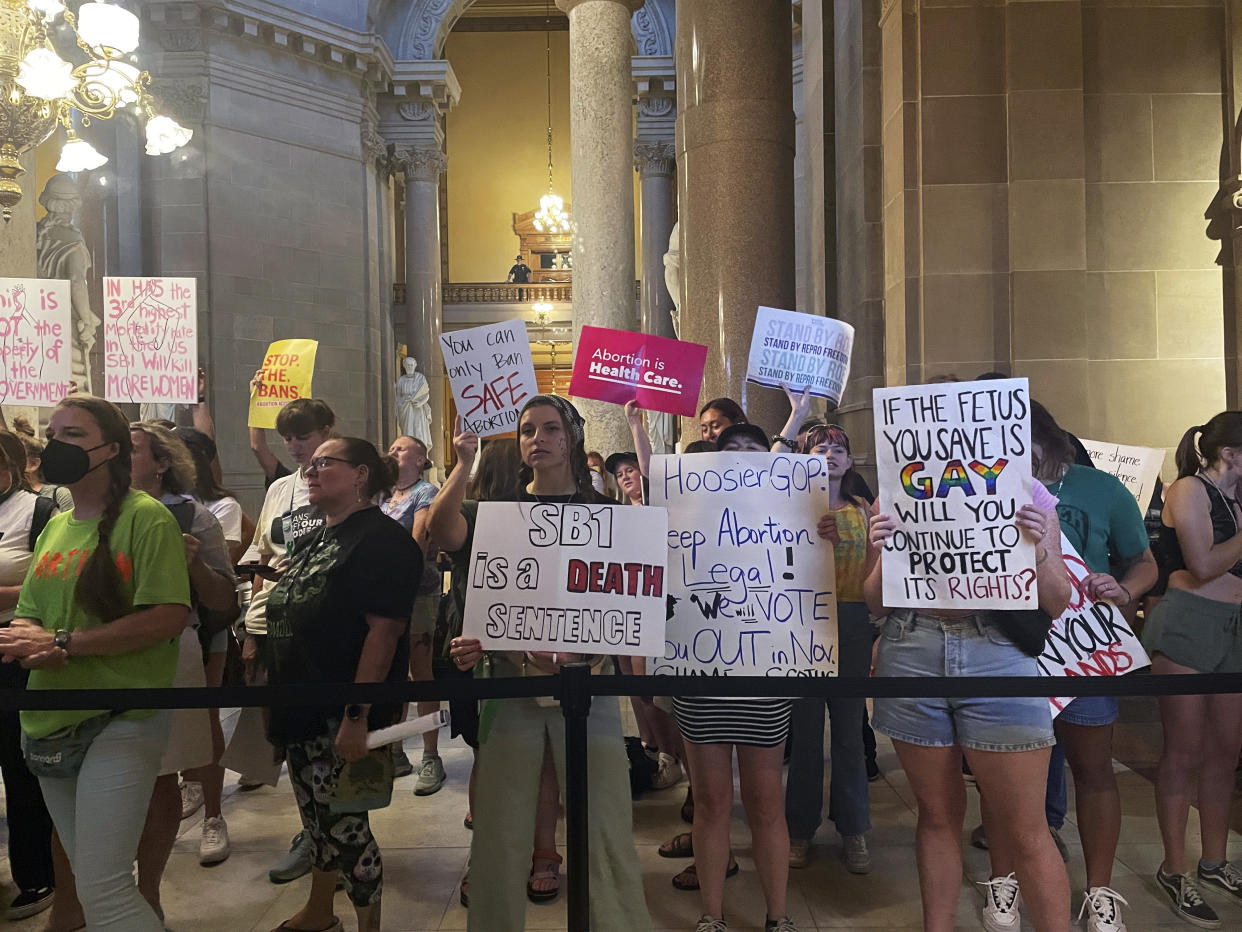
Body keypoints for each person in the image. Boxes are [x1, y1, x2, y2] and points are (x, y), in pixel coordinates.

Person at [434, 395, 653, 932]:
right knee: (500, 826)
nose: (538, 438)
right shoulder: (496, 513)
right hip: (513, 683)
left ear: (570, 438)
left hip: (591, 684)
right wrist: (464, 464)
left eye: (550, 428)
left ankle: (620, 923)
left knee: (605, 821)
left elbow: (629, 591)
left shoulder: (606, 514)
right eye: (528, 430)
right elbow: (441, 531)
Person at [0, 394, 191, 932]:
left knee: (104, 889)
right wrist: (22, 639)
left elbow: (167, 617)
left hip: (120, 716)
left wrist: (64, 644)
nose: (55, 444)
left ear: (110, 449)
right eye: (53, 432)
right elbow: (30, 614)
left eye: (73, 435)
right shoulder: (58, 527)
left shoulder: (146, 518)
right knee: (88, 881)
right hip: (51, 715)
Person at [980, 402, 1157, 932]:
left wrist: (1124, 589)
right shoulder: (983, 485)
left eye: (1022, 446)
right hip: (1010, 645)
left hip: (1085, 646)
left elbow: (1144, 561)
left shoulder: (1102, 489)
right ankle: (1003, 881)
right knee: (1007, 780)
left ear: (1048, 440)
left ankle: (1100, 891)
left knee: (1094, 769)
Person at [864, 491, 1073, 932]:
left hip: (997, 649)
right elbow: (875, 602)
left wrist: (1036, 551)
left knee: (1027, 827)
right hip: (912, 643)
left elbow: (1056, 601)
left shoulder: (1028, 491)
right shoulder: (899, 484)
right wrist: (882, 551)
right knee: (936, 814)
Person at [265, 436, 420, 932]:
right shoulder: (314, 537)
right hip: (301, 703)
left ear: (360, 475)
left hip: (343, 709)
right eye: (309, 465)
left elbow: (384, 633)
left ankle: (368, 924)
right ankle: (319, 908)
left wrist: (358, 714)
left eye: (324, 463)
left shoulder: (382, 540)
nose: (310, 471)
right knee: (315, 820)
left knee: (348, 828)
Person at [671, 419, 800, 932]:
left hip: (763, 677)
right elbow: (657, 509)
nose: (743, 456)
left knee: (768, 804)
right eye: (732, 449)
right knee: (712, 803)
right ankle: (712, 915)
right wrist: (637, 426)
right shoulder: (687, 515)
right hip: (701, 676)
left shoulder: (791, 514)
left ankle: (779, 915)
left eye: (754, 448)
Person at [1143, 412, 1242, 928]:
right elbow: (1202, 564)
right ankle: (1174, 868)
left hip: (1235, 625)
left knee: (1226, 751)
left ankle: (1215, 860)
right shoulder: (1189, 489)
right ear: (1230, 454)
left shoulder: (1237, 498)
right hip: (1190, 621)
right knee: (1184, 750)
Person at [240, 397, 335, 882]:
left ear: (325, 430)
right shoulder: (279, 488)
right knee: (288, 738)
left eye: (305, 434)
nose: (297, 446)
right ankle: (310, 831)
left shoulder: (344, 482)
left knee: (325, 741)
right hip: (275, 623)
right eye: (290, 438)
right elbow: (260, 556)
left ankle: (334, 835)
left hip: (324, 629)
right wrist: (253, 629)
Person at [785, 423, 875, 874]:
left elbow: (878, 567)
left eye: (839, 447)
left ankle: (854, 829)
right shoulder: (789, 509)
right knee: (803, 737)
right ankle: (798, 830)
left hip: (855, 623)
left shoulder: (864, 507)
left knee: (849, 734)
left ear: (850, 460)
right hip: (804, 624)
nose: (830, 453)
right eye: (819, 446)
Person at [174, 426, 251, 863]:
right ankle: (185, 786)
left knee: (205, 718)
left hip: (206, 621)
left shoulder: (218, 507)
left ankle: (214, 815)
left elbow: (227, 563)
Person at [0, 430, 59, 921]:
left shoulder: (37, 511)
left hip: (14, 648)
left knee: (20, 769)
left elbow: (50, 579)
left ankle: (36, 874)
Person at [381, 435, 445, 792]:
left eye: (401, 448)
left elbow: (418, 539)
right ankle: (394, 748)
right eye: (391, 448)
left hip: (415, 590)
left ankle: (431, 755)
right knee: (391, 672)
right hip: (382, 593)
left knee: (420, 671)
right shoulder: (381, 494)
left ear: (420, 459)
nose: (393, 452)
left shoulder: (425, 492)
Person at [10, 416, 74, 511]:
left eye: (12, 458)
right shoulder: (7, 494)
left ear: (34, 464)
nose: (5, 465)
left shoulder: (59, 495)